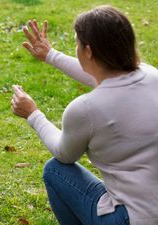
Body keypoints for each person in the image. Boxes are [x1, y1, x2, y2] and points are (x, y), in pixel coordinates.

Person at [11, 5, 158, 225]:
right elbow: (106, 78)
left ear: (88, 51)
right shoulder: (151, 75)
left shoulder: (85, 109)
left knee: (55, 170)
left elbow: (64, 154)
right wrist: (51, 56)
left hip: (132, 219)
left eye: (77, 43)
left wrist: (33, 114)